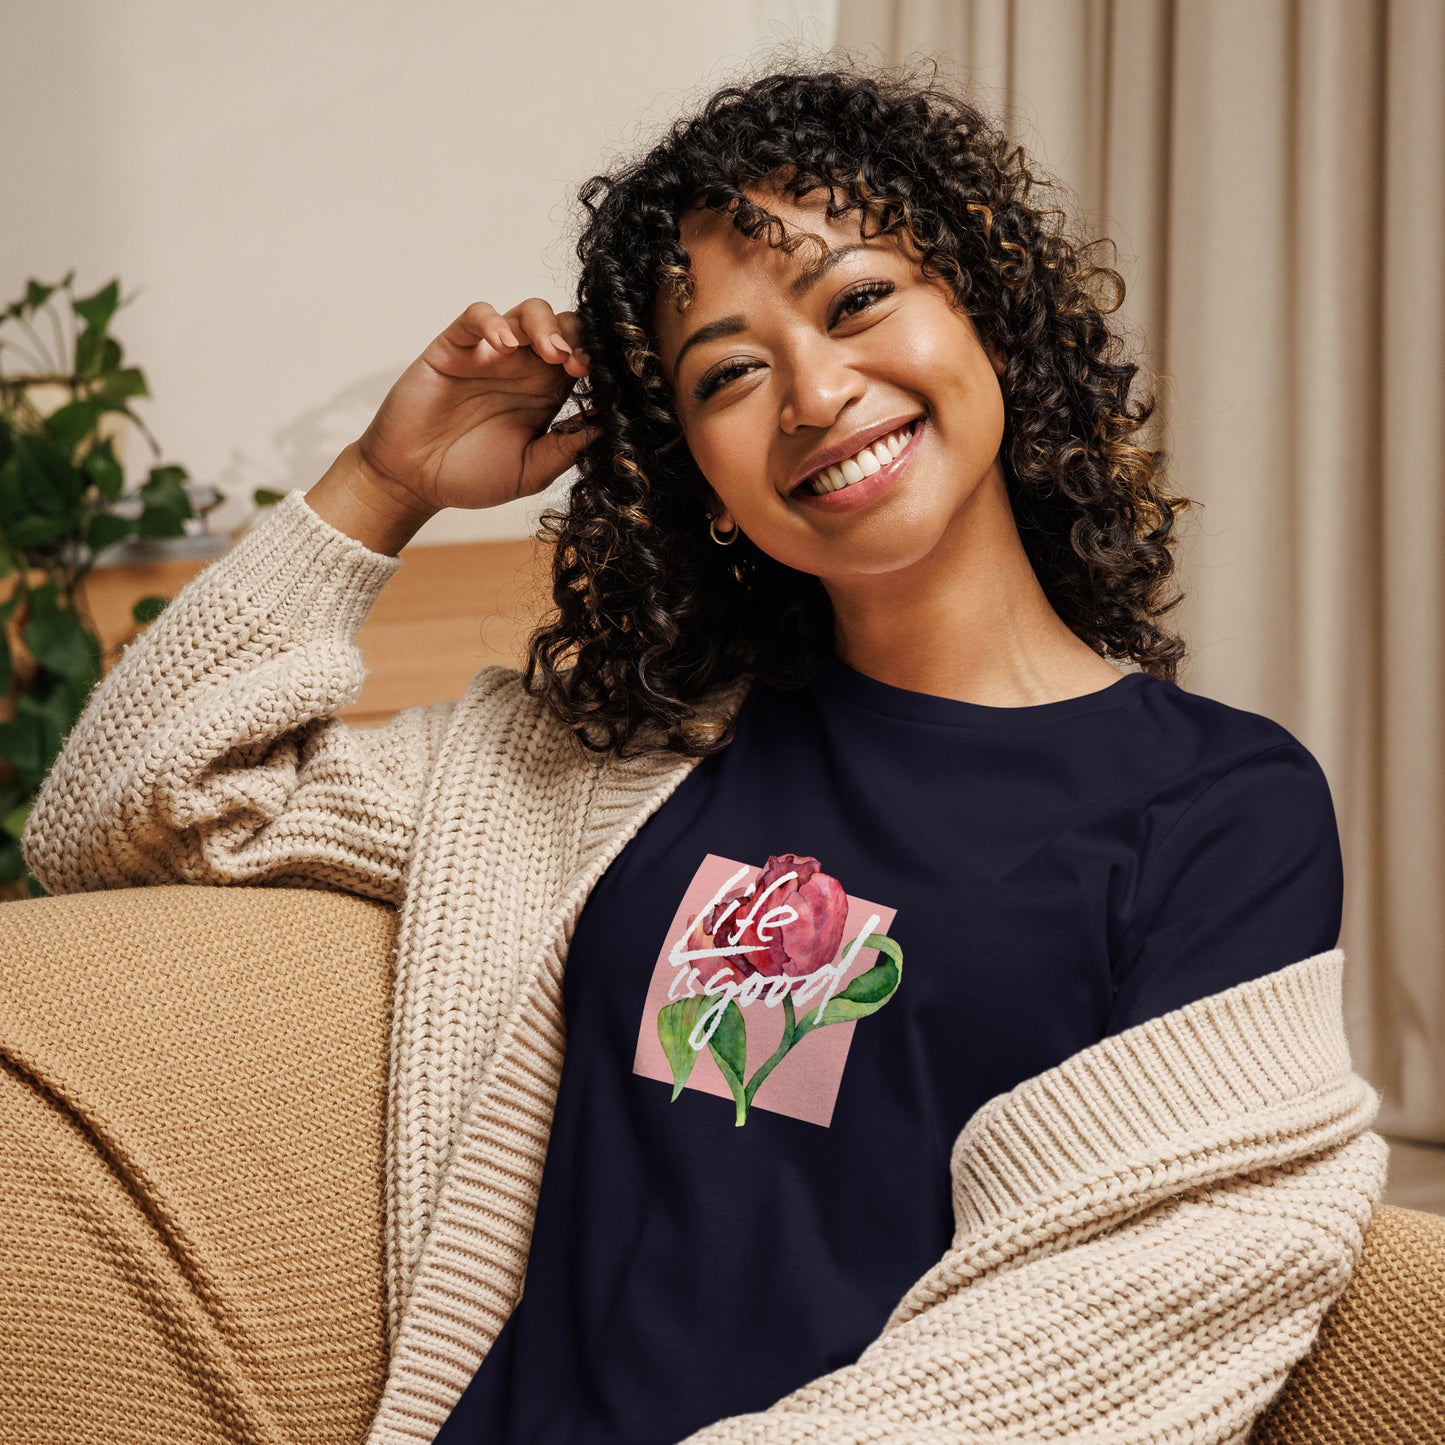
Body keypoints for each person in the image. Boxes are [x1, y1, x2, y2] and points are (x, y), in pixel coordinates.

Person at [16, 59, 1386, 1445]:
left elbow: (1124, 1309)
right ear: (703, 481)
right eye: (728, 371)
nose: (811, 390)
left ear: (986, 314)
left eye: (858, 300)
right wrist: (382, 483)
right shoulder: (610, 765)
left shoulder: (1216, 805)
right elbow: (128, 814)